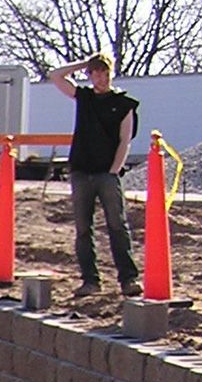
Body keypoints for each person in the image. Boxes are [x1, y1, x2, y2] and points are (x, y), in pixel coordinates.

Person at [44, 50, 141, 299]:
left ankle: (128, 279)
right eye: (96, 72)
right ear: (90, 75)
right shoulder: (84, 97)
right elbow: (55, 75)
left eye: (105, 72)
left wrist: (113, 171)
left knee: (117, 226)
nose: (101, 77)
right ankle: (90, 281)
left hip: (106, 174)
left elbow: (124, 140)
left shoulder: (124, 103)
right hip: (81, 171)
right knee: (83, 229)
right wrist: (84, 62)